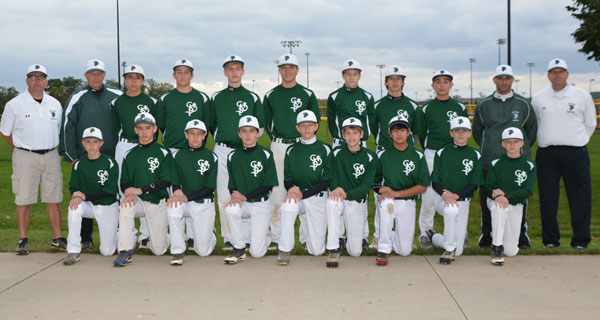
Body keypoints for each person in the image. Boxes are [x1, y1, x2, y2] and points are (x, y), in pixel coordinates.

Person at [532, 58, 596, 250]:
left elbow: (591, 123)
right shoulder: (539, 97)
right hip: (547, 153)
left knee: (580, 198)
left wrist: (579, 140)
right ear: (548, 76)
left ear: (567, 74)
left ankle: (581, 241)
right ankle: (550, 240)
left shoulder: (581, 95)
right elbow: (535, 123)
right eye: (553, 72)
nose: (557, 75)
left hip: (575, 152)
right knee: (548, 198)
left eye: (561, 71)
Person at [1, 64, 66, 254]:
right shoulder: (14, 104)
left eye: (41, 76)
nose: (37, 80)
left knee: (54, 198)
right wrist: (21, 147)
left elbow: (58, 128)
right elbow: (5, 132)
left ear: (46, 80)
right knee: (24, 198)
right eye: (33, 76)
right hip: (25, 156)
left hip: (51, 155)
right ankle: (23, 239)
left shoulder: (55, 104)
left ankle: (57, 237)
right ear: (27, 80)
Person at [472, 65, 537, 249]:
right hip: (489, 161)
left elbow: (531, 131)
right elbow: (478, 132)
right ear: (494, 80)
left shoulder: (523, 104)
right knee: (488, 200)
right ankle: (487, 235)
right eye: (500, 78)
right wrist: (491, 147)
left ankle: (521, 236)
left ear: (512, 80)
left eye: (507, 78)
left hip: (517, 161)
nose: (503, 81)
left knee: (519, 199)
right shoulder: (484, 105)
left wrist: (517, 151)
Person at [60, 59, 122, 250]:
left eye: (99, 73)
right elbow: (66, 127)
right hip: (84, 157)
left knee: (114, 194)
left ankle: (118, 233)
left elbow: (124, 123)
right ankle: (85, 238)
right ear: (86, 76)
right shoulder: (77, 97)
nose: (96, 77)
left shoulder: (117, 95)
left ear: (104, 75)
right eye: (92, 74)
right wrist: (72, 157)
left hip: (112, 157)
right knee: (84, 191)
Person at [264, 53, 320, 252]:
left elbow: (315, 123)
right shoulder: (271, 95)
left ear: (297, 70)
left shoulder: (307, 94)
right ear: (279, 70)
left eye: (291, 67)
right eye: (283, 67)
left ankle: (306, 237)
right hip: (279, 146)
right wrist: (280, 138)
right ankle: (277, 237)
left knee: (304, 190)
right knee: (278, 191)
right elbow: (267, 123)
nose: (287, 71)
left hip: (301, 145)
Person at [209, 55, 264, 251]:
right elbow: (210, 124)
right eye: (230, 68)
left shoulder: (253, 97)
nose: (234, 71)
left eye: (238, 68)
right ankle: (229, 237)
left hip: (245, 152)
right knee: (224, 194)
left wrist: (248, 143)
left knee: (246, 193)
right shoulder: (216, 97)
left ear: (243, 71)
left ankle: (246, 237)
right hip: (223, 150)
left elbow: (261, 126)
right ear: (225, 72)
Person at [157, 58, 210, 250]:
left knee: (192, 188)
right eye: (179, 72)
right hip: (172, 150)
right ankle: (179, 236)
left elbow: (206, 124)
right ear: (173, 75)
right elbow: (161, 124)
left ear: (192, 75)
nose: (182, 75)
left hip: (195, 151)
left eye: (186, 72)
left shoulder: (201, 98)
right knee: (175, 193)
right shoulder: (165, 99)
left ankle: (195, 235)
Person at [415, 69, 468, 250]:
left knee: (456, 191)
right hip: (432, 153)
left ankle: (460, 231)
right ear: (433, 86)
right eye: (438, 82)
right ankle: (425, 233)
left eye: (446, 81)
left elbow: (463, 131)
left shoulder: (459, 107)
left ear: (451, 85)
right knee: (429, 194)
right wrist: (430, 150)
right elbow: (422, 134)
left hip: (454, 154)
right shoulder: (428, 108)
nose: (442, 85)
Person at [326, 59, 375, 250]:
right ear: (343, 76)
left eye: (355, 74)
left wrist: (362, 138)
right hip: (340, 143)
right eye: (348, 74)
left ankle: (361, 235)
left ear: (360, 76)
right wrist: (340, 137)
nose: (351, 77)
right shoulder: (334, 96)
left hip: (359, 143)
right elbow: (331, 121)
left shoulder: (367, 96)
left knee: (360, 191)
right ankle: (337, 236)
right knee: (336, 186)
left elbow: (370, 121)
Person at [370, 65, 420, 249]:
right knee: (382, 193)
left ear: (403, 82)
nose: (395, 81)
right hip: (384, 154)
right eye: (391, 78)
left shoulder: (412, 105)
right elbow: (375, 129)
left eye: (399, 78)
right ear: (386, 82)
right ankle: (378, 235)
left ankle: (405, 235)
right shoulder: (378, 105)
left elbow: (416, 131)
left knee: (406, 196)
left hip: (406, 154)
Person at [113, 113, 171, 267]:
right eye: (140, 128)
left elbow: (165, 181)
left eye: (148, 128)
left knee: (159, 250)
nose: (144, 132)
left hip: (157, 201)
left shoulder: (164, 152)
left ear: (155, 129)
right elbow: (124, 181)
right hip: (137, 200)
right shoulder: (129, 154)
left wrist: (140, 190)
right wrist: (128, 193)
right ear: (135, 130)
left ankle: (166, 237)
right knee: (125, 205)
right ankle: (125, 249)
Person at [426, 116, 483, 264]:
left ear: (469, 133)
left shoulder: (475, 154)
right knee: (451, 209)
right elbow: (435, 180)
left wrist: (456, 195)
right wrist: (446, 195)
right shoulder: (441, 152)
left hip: (463, 200)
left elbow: (475, 184)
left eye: (464, 131)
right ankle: (448, 250)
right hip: (442, 199)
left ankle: (434, 237)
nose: (461, 134)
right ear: (451, 133)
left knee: (460, 250)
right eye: (457, 131)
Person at [110, 64, 155, 250]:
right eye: (130, 77)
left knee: (145, 186)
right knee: (125, 186)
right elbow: (113, 128)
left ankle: (145, 235)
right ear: (125, 80)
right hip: (124, 145)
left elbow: (155, 127)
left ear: (143, 80)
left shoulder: (152, 101)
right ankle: (127, 232)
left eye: (137, 77)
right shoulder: (116, 102)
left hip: (144, 145)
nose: (133, 81)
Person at [278, 110, 332, 266]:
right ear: (297, 128)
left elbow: (327, 180)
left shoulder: (325, 149)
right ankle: (285, 249)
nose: (307, 129)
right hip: (298, 196)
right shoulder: (291, 150)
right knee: (288, 206)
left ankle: (306, 229)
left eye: (310, 125)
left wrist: (303, 194)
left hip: (317, 197)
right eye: (303, 125)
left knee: (316, 251)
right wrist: (292, 190)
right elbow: (287, 179)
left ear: (316, 126)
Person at [374, 116, 429, 266]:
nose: (399, 134)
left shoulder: (417, 155)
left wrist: (396, 193)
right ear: (389, 133)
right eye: (395, 130)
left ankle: (391, 234)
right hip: (389, 200)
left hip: (407, 201)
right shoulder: (382, 154)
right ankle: (383, 249)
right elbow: (374, 181)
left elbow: (423, 186)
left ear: (409, 132)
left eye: (403, 130)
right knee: (386, 206)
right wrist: (382, 191)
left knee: (404, 251)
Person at [224, 116, 278, 265]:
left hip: (261, 203)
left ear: (257, 134)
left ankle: (264, 237)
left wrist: (244, 196)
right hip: (244, 203)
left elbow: (269, 185)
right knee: (231, 209)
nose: (248, 135)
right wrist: (234, 194)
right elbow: (232, 184)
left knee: (257, 253)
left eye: (252, 131)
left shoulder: (266, 154)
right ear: (239, 134)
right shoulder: (233, 156)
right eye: (244, 131)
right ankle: (239, 248)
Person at [325, 117, 378, 268]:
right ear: (343, 135)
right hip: (339, 197)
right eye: (347, 133)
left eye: (355, 133)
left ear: (362, 135)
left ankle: (353, 239)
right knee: (332, 203)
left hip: (355, 200)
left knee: (355, 252)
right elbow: (331, 175)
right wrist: (336, 189)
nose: (351, 137)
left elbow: (366, 185)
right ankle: (333, 247)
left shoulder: (370, 156)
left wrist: (346, 193)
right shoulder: (336, 153)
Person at [63, 127, 119, 265]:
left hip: (107, 205)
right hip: (88, 205)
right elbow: (74, 187)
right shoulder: (79, 164)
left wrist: (84, 196)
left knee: (107, 251)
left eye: (95, 142)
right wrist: (76, 196)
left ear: (101, 143)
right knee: (74, 207)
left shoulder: (110, 162)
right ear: (83, 143)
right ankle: (73, 249)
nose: (91, 145)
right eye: (88, 142)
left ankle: (120, 234)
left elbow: (109, 191)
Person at [166, 120, 218, 265]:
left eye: (199, 134)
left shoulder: (211, 157)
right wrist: (176, 192)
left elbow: (209, 188)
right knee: (172, 207)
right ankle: (178, 250)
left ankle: (210, 234)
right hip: (184, 201)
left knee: (202, 252)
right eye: (192, 134)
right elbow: (175, 180)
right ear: (186, 135)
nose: (195, 137)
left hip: (203, 203)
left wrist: (187, 197)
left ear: (204, 136)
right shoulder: (178, 155)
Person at [484, 127, 536, 265]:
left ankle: (496, 233)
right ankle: (496, 247)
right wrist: (497, 196)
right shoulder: (496, 163)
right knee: (499, 207)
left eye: (515, 141)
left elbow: (528, 191)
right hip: (497, 202)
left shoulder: (529, 164)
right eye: (508, 142)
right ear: (503, 144)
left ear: (522, 143)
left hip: (516, 204)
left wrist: (505, 194)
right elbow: (488, 187)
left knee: (511, 251)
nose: (512, 145)